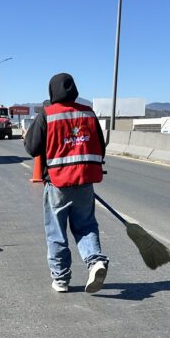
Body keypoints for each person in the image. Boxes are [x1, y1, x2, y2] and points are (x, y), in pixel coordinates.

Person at [24, 72, 109, 294]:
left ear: (52, 91)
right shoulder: (88, 114)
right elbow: (101, 145)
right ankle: (95, 262)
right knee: (86, 226)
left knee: (56, 232)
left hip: (58, 184)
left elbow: (32, 148)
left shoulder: (48, 115)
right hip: (85, 183)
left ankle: (61, 279)